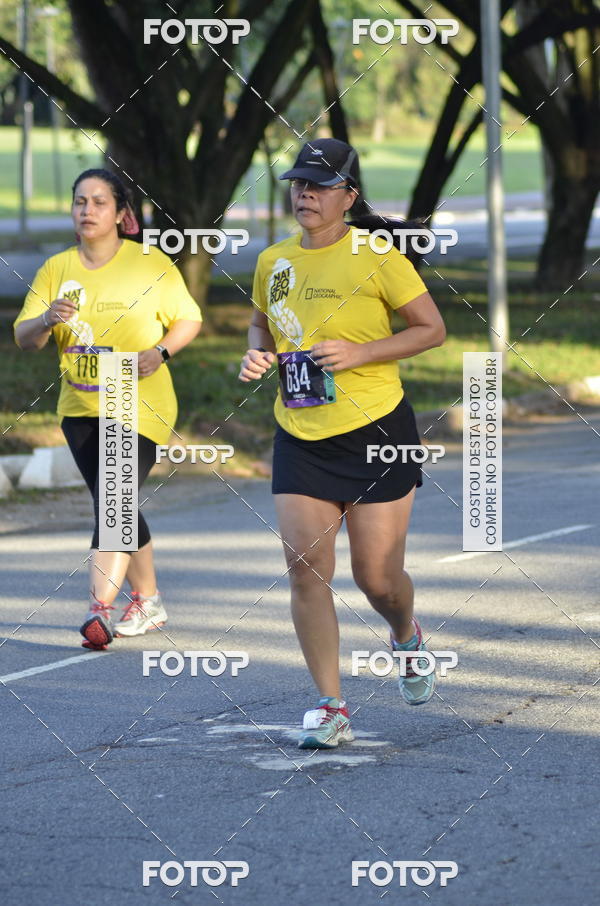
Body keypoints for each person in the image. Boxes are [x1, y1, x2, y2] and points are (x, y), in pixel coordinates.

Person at [239, 138, 446, 749]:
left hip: (378, 430)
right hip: (300, 432)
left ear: (349, 198)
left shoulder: (377, 256)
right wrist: (256, 354)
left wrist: (360, 353)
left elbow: (430, 329)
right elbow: (262, 321)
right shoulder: (274, 260)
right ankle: (331, 707)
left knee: (377, 579)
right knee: (307, 571)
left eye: (320, 185)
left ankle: (405, 636)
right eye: (299, 183)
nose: (305, 192)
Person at [14, 168, 202, 649]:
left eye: (99, 202)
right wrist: (45, 318)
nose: (87, 210)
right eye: (80, 201)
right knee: (114, 502)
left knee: (115, 500)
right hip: (79, 405)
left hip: (137, 396)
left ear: (122, 214)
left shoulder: (150, 263)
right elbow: (24, 339)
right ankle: (149, 597)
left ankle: (100, 608)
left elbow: (188, 318)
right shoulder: (57, 269)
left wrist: (158, 353)